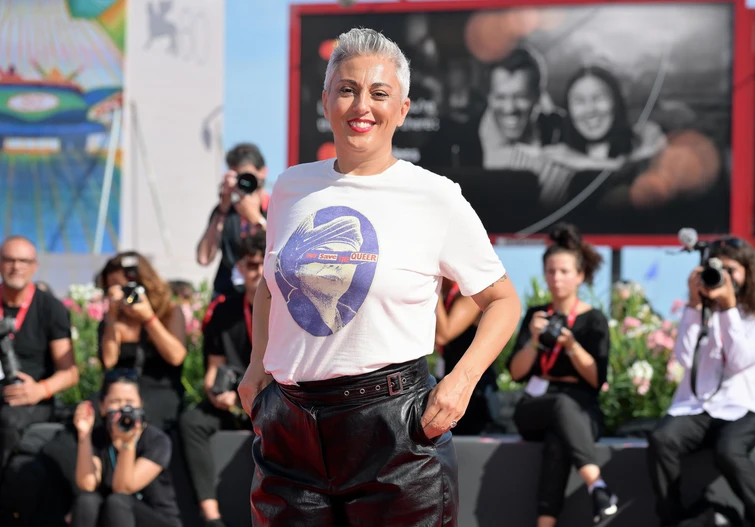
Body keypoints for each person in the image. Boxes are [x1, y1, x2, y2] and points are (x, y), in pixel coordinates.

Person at [237, 27, 522, 526]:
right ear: (326, 101)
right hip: (288, 435)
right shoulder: (290, 187)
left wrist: (460, 383)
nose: (360, 105)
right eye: (346, 89)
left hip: (396, 439)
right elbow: (270, 286)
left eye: (378, 92)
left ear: (403, 109)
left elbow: (503, 301)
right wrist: (256, 366)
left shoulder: (435, 196)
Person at [507, 223, 617, 526]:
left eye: (564, 271)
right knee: (559, 406)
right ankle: (598, 485)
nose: (557, 278)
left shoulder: (594, 320)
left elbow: (597, 378)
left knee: (559, 440)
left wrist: (570, 345)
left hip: (582, 406)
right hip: (537, 404)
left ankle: (546, 522)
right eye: (551, 271)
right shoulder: (535, 315)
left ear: (580, 276)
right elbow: (516, 373)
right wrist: (532, 340)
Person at [647, 237, 755, 527]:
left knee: (730, 451)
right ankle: (674, 520)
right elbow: (683, 357)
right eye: (718, 270)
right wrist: (694, 306)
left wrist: (728, 307)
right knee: (661, 439)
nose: (725, 277)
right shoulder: (699, 312)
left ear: (747, 272)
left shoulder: (751, 316)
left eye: (733, 270)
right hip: (695, 407)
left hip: (741, 407)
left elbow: (739, 360)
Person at [179, 231, 265, 527]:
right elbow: (213, 371)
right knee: (192, 422)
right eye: (252, 265)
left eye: (265, 262)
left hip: (273, 400)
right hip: (234, 400)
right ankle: (211, 515)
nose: (259, 271)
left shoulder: (289, 306)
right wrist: (216, 394)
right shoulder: (224, 311)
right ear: (240, 267)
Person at [0, 235, 79, 472]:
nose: (17, 267)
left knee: (8, 421)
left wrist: (39, 390)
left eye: (24, 261)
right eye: (10, 260)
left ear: (34, 266)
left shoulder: (50, 308)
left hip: (32, 401)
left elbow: (70, 372)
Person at [71, 371, 182, 527]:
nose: (123, 408)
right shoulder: (98, 437)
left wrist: (128, 443)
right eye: (115, 401)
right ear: (102, 406)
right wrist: (84, 436)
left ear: (141, 404)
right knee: (86, 501)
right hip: (114, 518)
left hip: (155, 518)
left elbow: (124, 487)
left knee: (118, 502)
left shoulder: (156, 440)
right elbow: (87, 484)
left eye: (130, 401)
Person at [97, 252, 187, 432]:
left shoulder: (169, 312)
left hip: (160, 390)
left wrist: (149, 319)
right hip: (121, 391)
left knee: (146, 419)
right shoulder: (111, 321)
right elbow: (109, 361)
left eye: (125, 288)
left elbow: (176, 357)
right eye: (112, 289)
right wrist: (112, 319)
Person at [196, 143, 269, 297]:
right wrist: (223, 207)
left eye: (247, 175)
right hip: (228, 296)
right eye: (238, 177)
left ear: (263, 172)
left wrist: (255, 218)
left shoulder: (276, 207)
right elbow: (204, 258)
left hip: (265, 294)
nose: (244, 182)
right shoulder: (225, 210)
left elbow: (286, 250)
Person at [435, 277, 496, 435]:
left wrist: (431, 291)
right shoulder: (444, 294)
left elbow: (444, 334)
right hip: (448, 380)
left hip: (472, 388)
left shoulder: (470, 294)